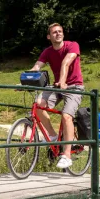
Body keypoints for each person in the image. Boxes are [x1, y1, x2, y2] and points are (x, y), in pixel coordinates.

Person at [30, 23, 84, 169]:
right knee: (38, 104)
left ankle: (67, 155)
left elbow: (66, 63)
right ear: (49, 36)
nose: (58, 34)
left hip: (74, 86)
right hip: (57, 86)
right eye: (54, 32)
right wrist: (25, 79)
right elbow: (37, 66)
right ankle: (53, 136)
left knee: (66, 116)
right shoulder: (47, 51)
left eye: (60, 31)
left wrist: (63, 81)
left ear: (63, 34)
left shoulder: (72, 45)